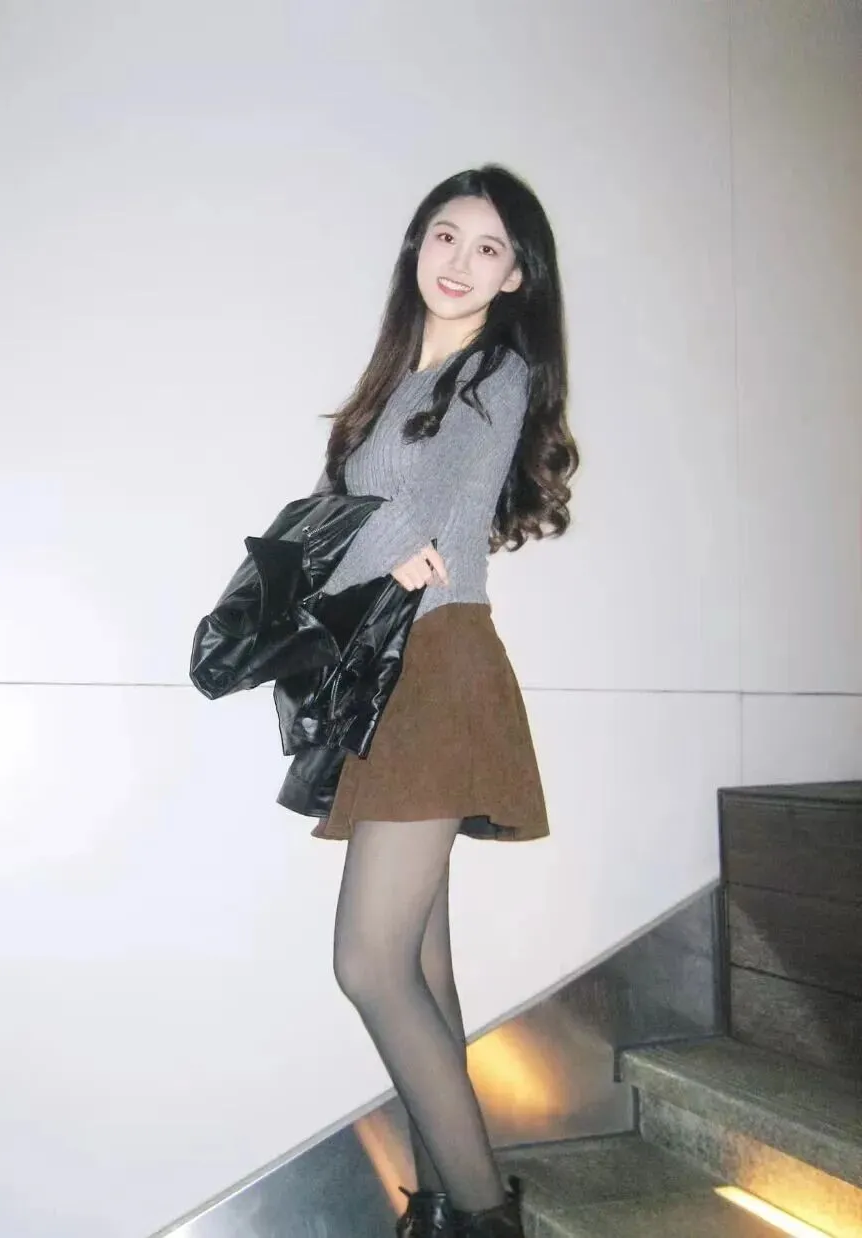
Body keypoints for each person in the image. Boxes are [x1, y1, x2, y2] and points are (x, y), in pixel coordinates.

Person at [308, 165, 578, 1238]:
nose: (459, 260)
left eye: (488, 247)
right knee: (419, 961)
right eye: (445, 235)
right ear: (416, 245)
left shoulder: (492, 373)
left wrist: (365, 536)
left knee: (367, 961)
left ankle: (482, 1215)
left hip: (440, 663)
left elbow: (423, 513)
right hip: (395, 667)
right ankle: (437, 1203)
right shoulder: (397, 379)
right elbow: (356, 518)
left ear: (516, 278)